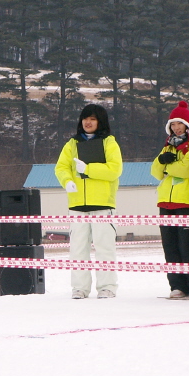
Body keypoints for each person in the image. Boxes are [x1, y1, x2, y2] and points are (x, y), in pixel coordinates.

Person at [54, 104, 123, 299]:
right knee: (78, 248)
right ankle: (80, 288)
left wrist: (88, 169)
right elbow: (61, 167)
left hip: (103, 204)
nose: (88, 122)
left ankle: (107, 286)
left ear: (100, 121)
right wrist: (67, 181)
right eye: (85, 118)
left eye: (92, 119)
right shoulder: (72, 144)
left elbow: (114, 170)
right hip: (77, 205)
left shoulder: (109, 143)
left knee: (104, 247)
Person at [150, 101, 189, 299]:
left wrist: (168, 166)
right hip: (166, 200)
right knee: (170, 245)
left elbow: (188, 168)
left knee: (188, 244)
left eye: (179, 123)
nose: (176, 128)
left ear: (188, 125)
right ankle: (177, 284)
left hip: (187, 200)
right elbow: (155, 172)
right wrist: (161, 162)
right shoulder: (168, 145)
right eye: (173, 124)